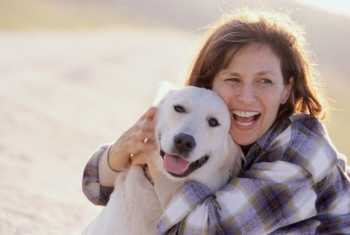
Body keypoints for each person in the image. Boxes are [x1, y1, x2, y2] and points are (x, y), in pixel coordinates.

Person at [82, 10, 350, 234]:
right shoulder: (218, 129)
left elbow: (205, 229)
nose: (246, 97)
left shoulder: (299, 151)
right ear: (209, 84)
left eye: (265, 81)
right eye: (233, 79)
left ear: (286, 90)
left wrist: (154, 163)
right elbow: (97, 190)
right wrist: (118, 155)